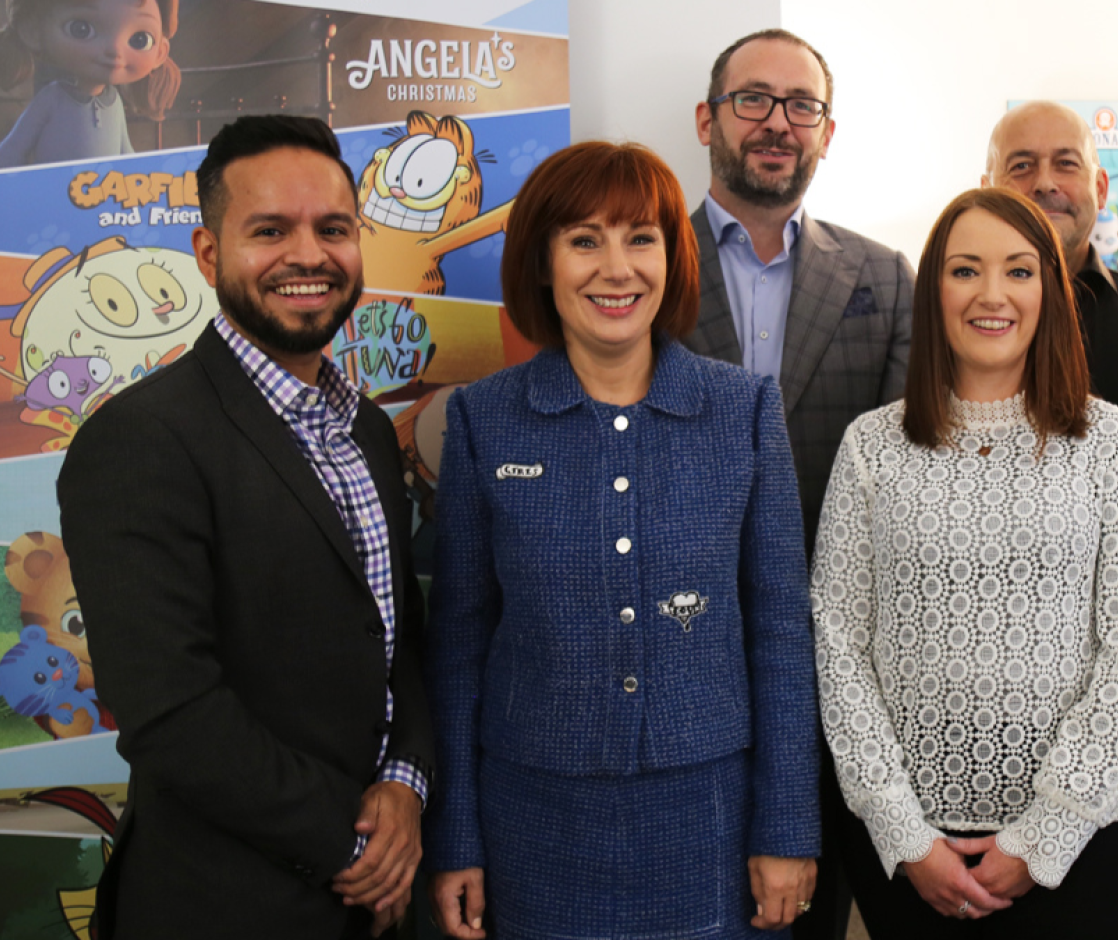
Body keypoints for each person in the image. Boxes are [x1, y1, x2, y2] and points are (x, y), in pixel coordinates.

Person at [422, 140, 820, 940]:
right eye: (583, 241)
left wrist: (787, 828)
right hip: (531, 825)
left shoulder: (742, 410)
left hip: (708, 820)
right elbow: (459, 644)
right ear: (541, 261)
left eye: (640, 238)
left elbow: (781, 633)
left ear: (672, 256)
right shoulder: (482, 419)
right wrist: (455, 835)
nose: (616, 268)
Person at [56, 114, 431, 938]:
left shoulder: (367, 428)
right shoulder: (139, 440)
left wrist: (405, 786)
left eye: (333, 229)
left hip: (386, 897)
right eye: (270, 230)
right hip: (226, 905)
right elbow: (172, 714)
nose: (308, 255)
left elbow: (398, 641)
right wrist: (356, 841)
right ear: (206, 251)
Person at [811, 187, 1118, 938]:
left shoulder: (1116, 445)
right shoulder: (871, 448)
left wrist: (1045, 834)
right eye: (964, 270)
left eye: (1017, 271)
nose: (991, 294)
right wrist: (903, 833)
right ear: (932, 291)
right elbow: (838, 645)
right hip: (914, 852)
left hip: (1082, 844)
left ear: (1049, 288)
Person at [686, 30, 913, 937]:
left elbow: (900, 481)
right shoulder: (641, 268)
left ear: (827, 132)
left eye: (801, 106)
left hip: (829, 667)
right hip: (677, 651)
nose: (778, 123)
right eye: (754, 100)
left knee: (807, 913)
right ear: (709, 117)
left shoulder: (886, 279)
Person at [983, 100, 1118, 413]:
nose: (1045, 183)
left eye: (1066, 164)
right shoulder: (948, 321)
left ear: (1100, 189)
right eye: (1021, 166)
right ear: (986, 193)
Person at [0, 0, 181, 167]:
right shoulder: (52, 100)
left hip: (104, 196)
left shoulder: (114, 101)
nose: (114, 50)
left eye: (140, 39)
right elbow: (13, 149)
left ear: (160, 52)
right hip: (56, 195)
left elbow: (125, 152)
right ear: (33, 31)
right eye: (81, 29)